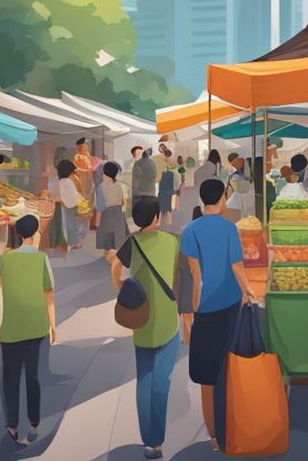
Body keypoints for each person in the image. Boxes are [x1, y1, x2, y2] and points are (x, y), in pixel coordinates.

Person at [180, 178, 256, 454]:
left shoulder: (190, 230)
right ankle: (233, 426)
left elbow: (194, 273)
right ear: (222, 199)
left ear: (202, 199)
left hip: (205, 310)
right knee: (230, 370)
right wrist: (248, 291)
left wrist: (191, 316)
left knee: (206, 378)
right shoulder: (229, 228)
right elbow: (237, 266)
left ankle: (213, 437)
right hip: (229, 306)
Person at [113, 197, 181, 461]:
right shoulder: (171, 241)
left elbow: (115, 266)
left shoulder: (131, 243)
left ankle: (148, 441)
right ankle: (158, 440)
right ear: (155, 218)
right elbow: (175, 276)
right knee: (161, 383)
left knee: (144, 379)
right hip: (166, 318)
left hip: (140, 320)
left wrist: (120, 288)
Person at [0, 214, 56, 445]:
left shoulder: (5, 260)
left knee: (10, 377)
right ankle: (35, 421)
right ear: (36, 233)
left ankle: (12, 425)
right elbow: (49, 294)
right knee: (33, 376)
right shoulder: (42, 259)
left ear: (17, 234)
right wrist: (53, 325)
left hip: (12, 328)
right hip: (37, 326)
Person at [177, 206, 203, 343]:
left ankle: (187, 338)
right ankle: (190, 338)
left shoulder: (187, 231)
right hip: (192, 272)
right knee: (192, 308)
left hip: (184, 272)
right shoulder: (201, 232)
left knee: (187, 310)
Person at [97, 162, 130, 265]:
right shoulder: (120, 185)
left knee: (108, 243)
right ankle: (119, 262)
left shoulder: (101, 187)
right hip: (119, 215)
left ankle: (110, 263)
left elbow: (100, 206)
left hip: (106, 216)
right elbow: (124, 201)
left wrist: (97, 222)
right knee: (118, 240)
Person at [54, 159, 82, 258]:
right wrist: (81, 200)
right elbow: (74, 194)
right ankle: (72, 243)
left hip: (69, 205)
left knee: (71, 224)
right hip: (70, 206)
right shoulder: (66, 181)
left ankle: (73, 242)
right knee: (70, 225)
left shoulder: (63, 181)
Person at [157, 148, 178, 226]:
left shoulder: (161, 168)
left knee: (164, 213)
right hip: (170, 193)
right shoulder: (174, 167)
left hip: (164, 192)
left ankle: (164, 227)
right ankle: (167, 228)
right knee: (168, 213)